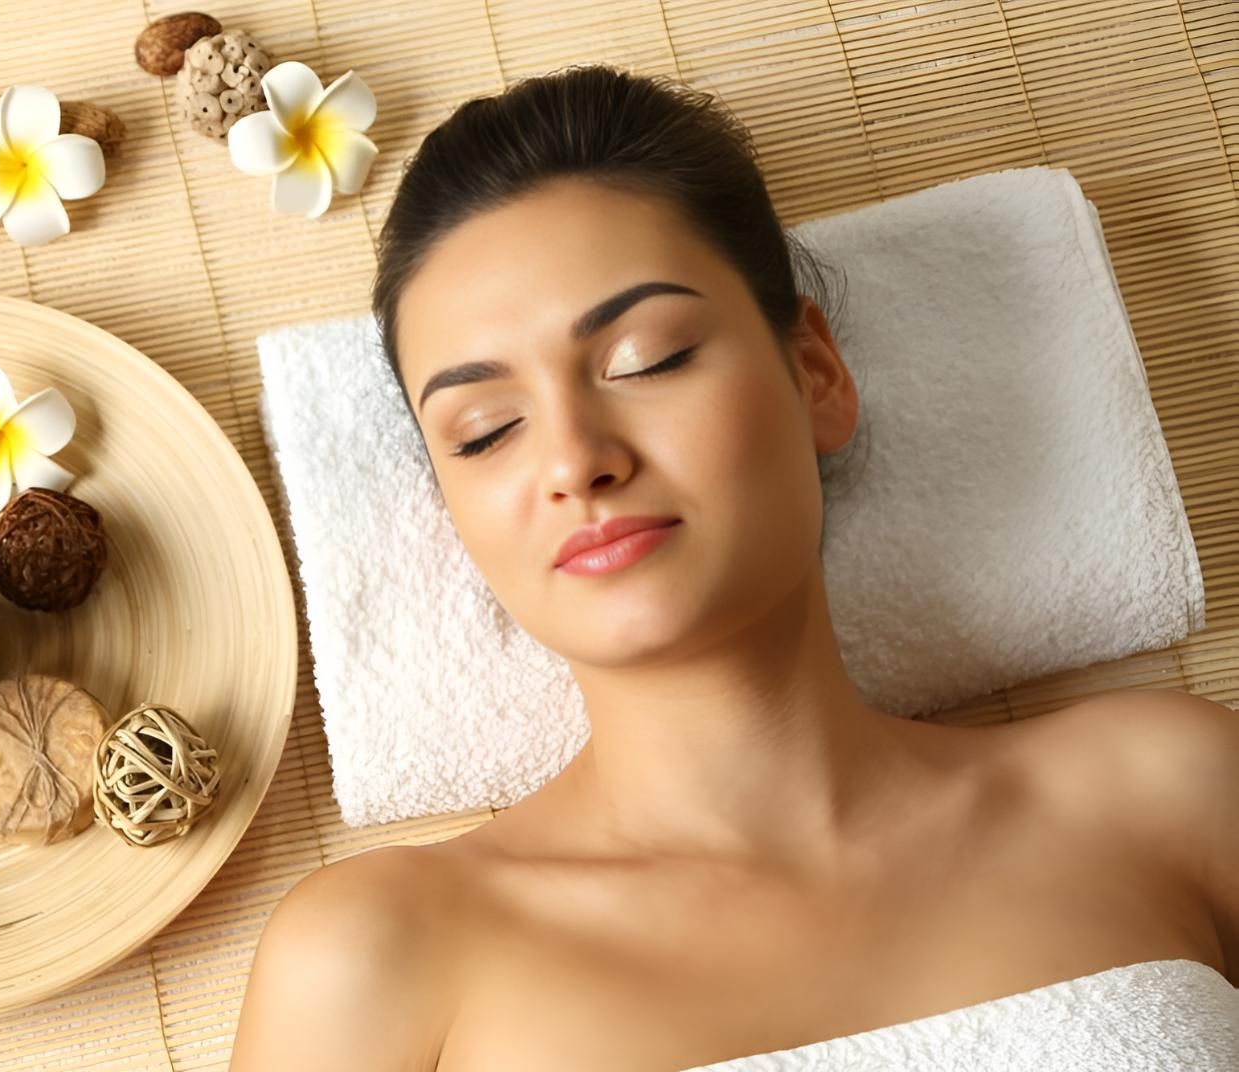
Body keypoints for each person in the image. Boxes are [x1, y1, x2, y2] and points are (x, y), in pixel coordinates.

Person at [228, 63, 1236, 1071]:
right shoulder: (376, 957)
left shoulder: (1165, 794)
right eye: (486, 431)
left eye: (647, 359)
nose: (575, 459)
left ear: (815, 377)